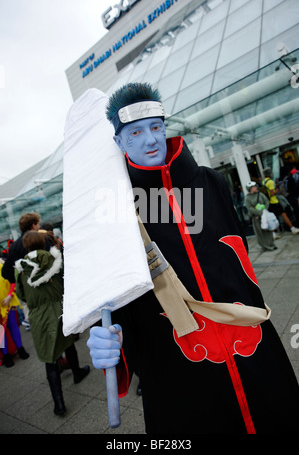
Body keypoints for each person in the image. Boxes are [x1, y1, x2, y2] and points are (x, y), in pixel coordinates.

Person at [87, 82, 299, 434]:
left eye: (156, 127)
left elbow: (241, 266)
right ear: (119, 142)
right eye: (135, 132)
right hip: (177, 367)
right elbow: (117, 294)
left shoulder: (211, 182)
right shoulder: (115, 209)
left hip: (252, 344)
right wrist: (109, 338)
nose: (150, 140)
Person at [15, 231, 90, 416]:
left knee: (49, 358)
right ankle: (77, 373)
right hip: (59, 310)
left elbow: (21, 294)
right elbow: (66, 282)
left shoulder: (21, 267)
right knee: (68, 344)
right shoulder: (53, 259)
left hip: (38, 315)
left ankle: (59, 404)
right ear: (42, 242)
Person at [1, 212, 42, 330]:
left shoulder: (15, 246)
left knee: (39, 328)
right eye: (38, 224)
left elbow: (6, 272)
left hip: (30, 292)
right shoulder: (41, 239)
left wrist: (21, 280)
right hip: (48, 287)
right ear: (34, 225)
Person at [0, 258, 29, 367]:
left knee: (13, 327)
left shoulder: (2, 266)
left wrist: (9, 296)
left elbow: (12, 281)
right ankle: (6, 355)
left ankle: (21, 349)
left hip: (8, 303)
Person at [262, 168, 299, 235]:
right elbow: (271, 194)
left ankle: (273, 233)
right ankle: (292, 228)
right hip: (274, 201)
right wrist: (277, 190)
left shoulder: (264, 181)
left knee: (271, 217)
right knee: (284, 214)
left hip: (268, 202)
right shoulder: (270, 182)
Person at [245, 181, 277, 252]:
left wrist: (264, 211)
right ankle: (265, 246)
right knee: (260, 233)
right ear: (250, 188)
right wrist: (259, 213)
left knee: (268, 231)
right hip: (256, 218)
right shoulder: (247, 198)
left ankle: (271, 244)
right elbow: (249, 208)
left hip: (265, 216)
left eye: (255, 186)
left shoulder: (260, 194)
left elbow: (266, 202)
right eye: (253, 187)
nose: (255, 187)